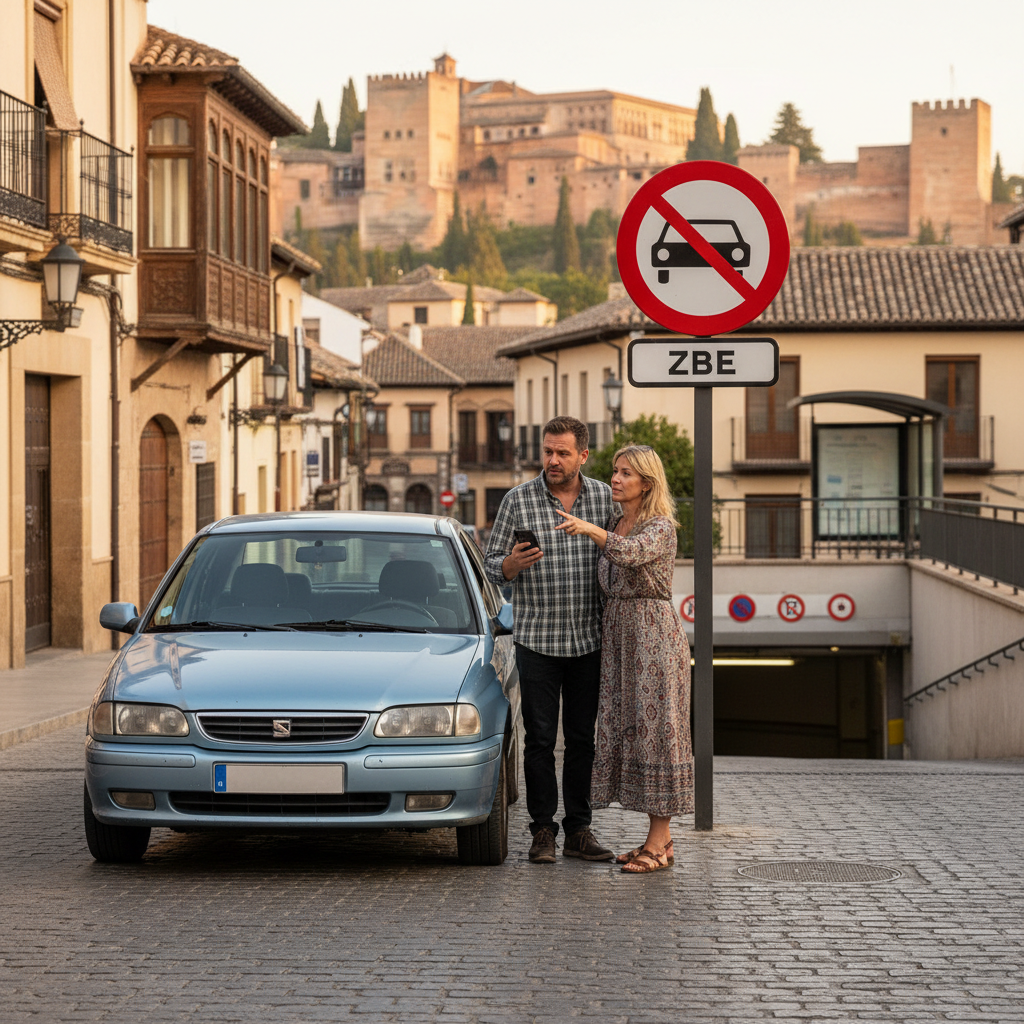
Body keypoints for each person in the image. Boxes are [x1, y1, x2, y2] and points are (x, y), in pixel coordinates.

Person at [554, 444, 694, 874]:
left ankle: (657, 843)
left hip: (652, 638)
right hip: (618, 636)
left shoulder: (660, 527)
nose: (615, 479)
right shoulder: (618, 519)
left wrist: (591, 531)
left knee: (656, 731)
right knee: (629, 727)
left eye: (625, 474)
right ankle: (661, 841)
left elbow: (629, 553)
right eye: (615, 471)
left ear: (646, 483)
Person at [485, 416, 617, 864]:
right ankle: (543, 832)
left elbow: (621, 552)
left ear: (583, 454)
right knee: (539, 740)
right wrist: (511, 566)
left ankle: (580, 830)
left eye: (563, 452)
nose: (553, 460)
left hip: (590, 639)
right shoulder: (517, 500)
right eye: (547, 451)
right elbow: (488, 567)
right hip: (537, 640)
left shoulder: (604, 497)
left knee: (583, 740)